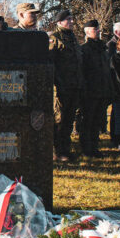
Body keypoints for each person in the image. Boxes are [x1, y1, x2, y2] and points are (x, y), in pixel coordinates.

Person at [48, 9, 81, 161]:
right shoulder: (55, 38)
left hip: (74, 85)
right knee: (59, 119)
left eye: (71, 19)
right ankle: (57, 151)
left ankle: (65, 149)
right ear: (60, 22)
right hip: (60, 86)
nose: (71, 22)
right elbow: (51, 62)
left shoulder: (73, 38)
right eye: (68, 19)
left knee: (69, 119)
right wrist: (57, 82)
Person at [79, 19, 112, 157]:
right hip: (90, 91)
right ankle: (87, 148)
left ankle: (94, 147)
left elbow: (106, 70)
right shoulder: (84, 50)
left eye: (98, 29)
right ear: (87, 32)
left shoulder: (102, 49)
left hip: (102, 90)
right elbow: (83, 72)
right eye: (95, 29)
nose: (98, 31)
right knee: (88, 121)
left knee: (97, 121)